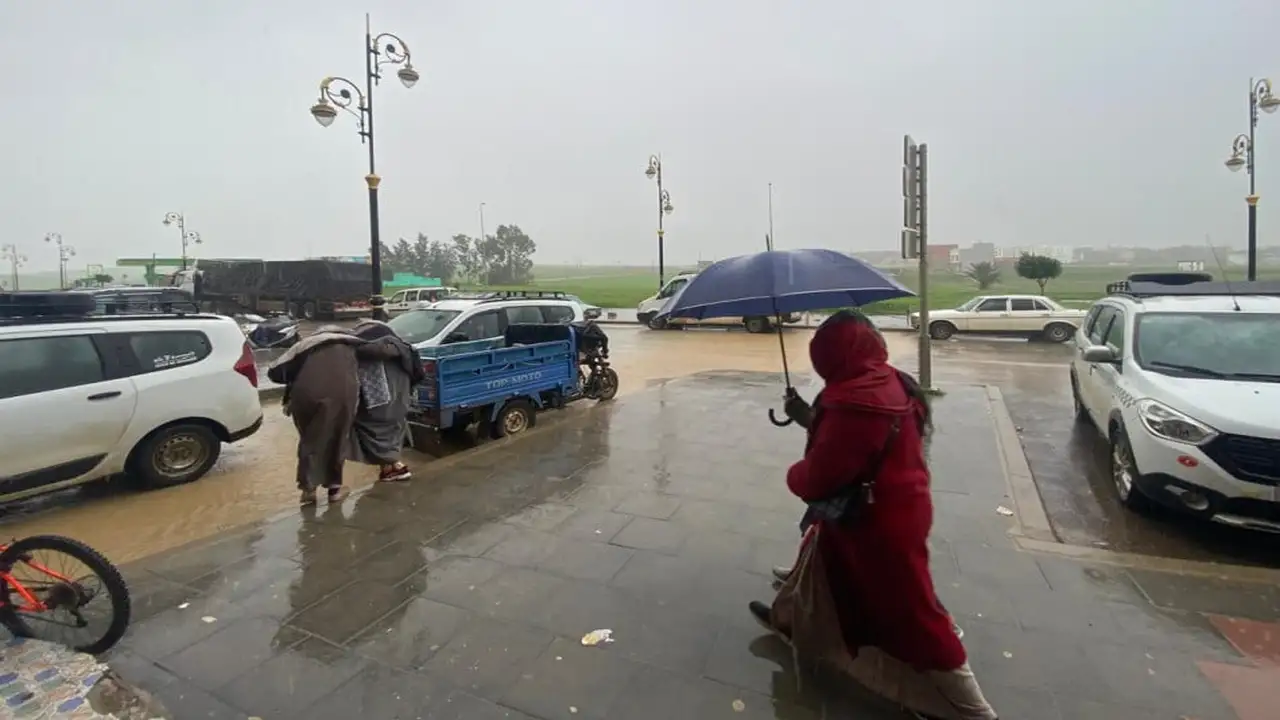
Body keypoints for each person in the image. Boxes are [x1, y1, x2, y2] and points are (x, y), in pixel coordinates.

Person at [749, 310, 998, 720]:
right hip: (900, 507)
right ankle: (789, 620)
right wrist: (808, 417)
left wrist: (795, 469)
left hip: (873, 525)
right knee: (820, 564)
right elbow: (862, 447)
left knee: (913, 608)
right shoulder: (892, 382)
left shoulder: (851, 404)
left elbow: (817, 477)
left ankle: (970, 706)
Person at [267, 320, 424, 505]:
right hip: (342, 394)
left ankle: (308, 490)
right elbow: (379, 350)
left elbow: (274, 372)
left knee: (310, 440)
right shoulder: (353, 343)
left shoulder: (306, 344)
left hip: (303, 396)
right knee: (337, 439)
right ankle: (334, 490)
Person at [347, 320, 424, 482]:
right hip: (398, 405)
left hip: (373, 408)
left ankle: (395, 466)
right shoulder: (403, 352)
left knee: (371, 432)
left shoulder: (358, 354)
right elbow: (417, 375)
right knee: (391, 433)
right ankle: (390, 469)